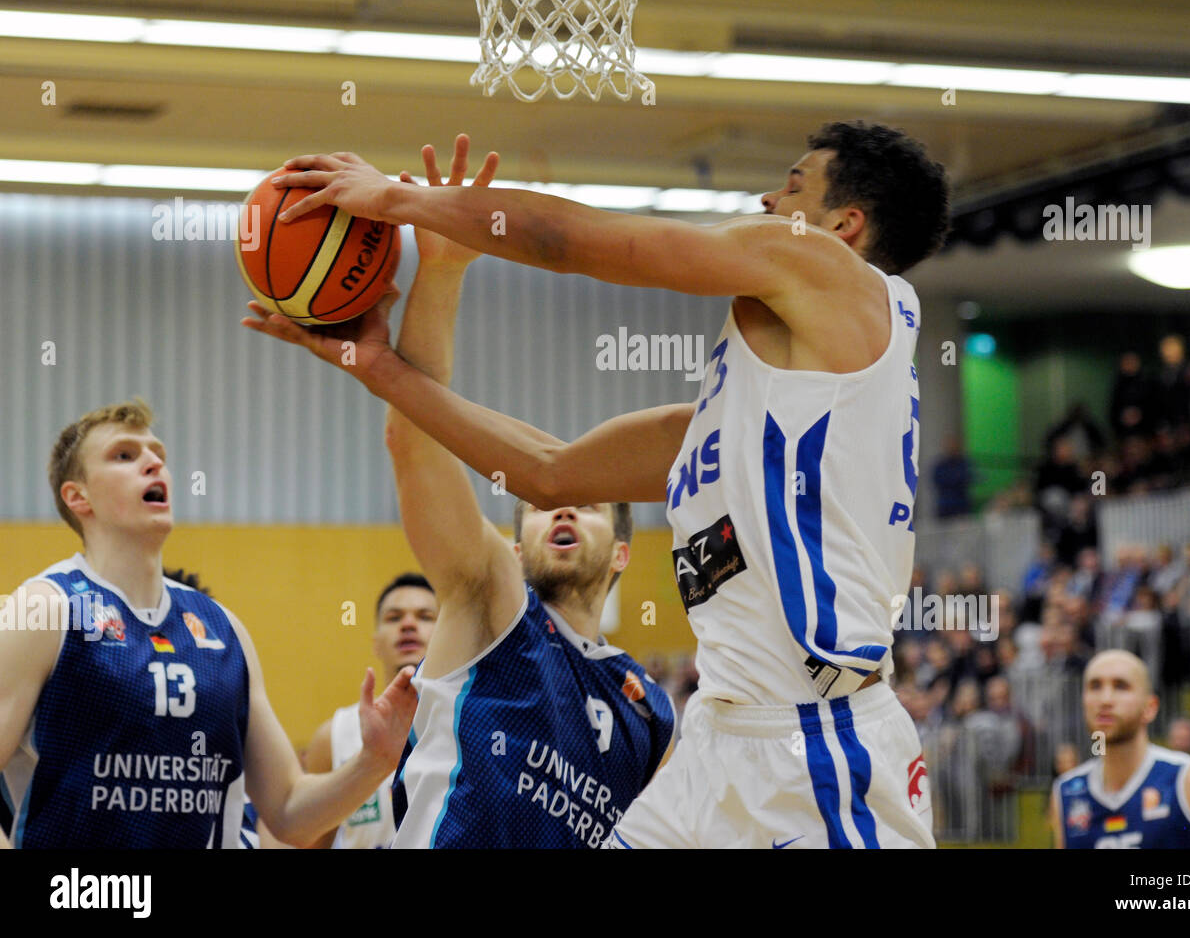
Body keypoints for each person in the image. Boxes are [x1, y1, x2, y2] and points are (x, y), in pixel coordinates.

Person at [244, 119, 950, 849]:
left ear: (846, 223)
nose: (770, 198)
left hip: (819, 746)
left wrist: (397, 200)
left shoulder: (832, 270)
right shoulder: (759, 413)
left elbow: (578, 239)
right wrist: (377, 365)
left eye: (795, 184)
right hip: (720, 742)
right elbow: (548, 473)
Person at [252, 137, 676, 848]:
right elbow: (414, 441)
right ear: (514, 542)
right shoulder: (492, 597)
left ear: (626, 553)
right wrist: (441, 273)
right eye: (542, 506)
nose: (563, 506)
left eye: (592, 506)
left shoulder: (652, 710)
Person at [0, 401, 416, 849]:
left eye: (157, 452)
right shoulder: (44, 607)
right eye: (124, 455)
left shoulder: (223, 628)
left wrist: (374, 761)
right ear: (77, 496)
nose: (153, 461)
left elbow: (290, 814)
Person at [1049, 650, 1190, 848]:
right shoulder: (1066, 791)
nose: (1105, 699)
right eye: (1095, 686)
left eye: (1121, 686)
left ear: (1150, 707)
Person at [302, 573, 438, 849]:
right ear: (376, 643)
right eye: (394, 617)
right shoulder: (333, 736)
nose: (409, 624)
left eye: (424, 616)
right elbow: (309, 842)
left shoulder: (472, 725)